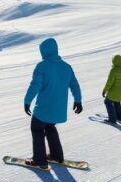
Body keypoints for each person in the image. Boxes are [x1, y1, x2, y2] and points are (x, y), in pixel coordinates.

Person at [23, 38, 82, 170]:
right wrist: (78, 100)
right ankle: (56, 155)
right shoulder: (66, 67)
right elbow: (74, 85)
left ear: (43, 51)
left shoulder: (41, 66)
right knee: (50, 127)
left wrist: (27, 102)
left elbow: (35, 86)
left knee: (37, 129)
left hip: (43, 109)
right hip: (58, 110)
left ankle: (39, 160)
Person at [102, 55, 121, 124]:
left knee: (107, 102)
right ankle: (119, 118)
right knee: (117, 102)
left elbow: (109, 82)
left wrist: (104, 90)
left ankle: (112, 119)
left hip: (112, 92)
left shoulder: (113, 70)